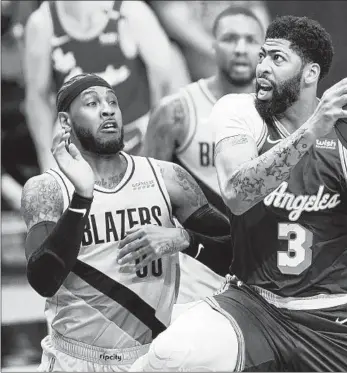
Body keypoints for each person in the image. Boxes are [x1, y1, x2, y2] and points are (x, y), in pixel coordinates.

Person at [129, 15, 347, 372]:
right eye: (263, 56)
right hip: (253, 304)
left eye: (278, 59)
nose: (263, 67)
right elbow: (238, 194)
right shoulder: (240, 111)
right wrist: (312, 131)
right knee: (168, 356)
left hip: (334, 318)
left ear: (311, 73)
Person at [20, 73, 231, 372]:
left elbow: (232, 252)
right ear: (66, 122)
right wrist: (82, 197)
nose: (107, 109)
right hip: (74, 360)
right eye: (92, 103)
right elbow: (43, 280)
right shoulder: (46, 190)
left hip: (152, 357)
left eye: (113, 102)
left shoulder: (168, 178)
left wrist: (184, 239)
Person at [144, 6, 264, 305]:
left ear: (264, 49)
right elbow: (146, 195)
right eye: (229, 39)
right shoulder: (177, 112)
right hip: (197, 276)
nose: (240, 49)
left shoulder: (282, 111)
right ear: (212, 44)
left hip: (266, 269)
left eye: (250, 40)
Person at [23, 0, 182, 173]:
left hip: (137, 140)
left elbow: (170, 80)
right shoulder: (42, 23)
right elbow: (37, 98)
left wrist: (158, 150)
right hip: (81, 152)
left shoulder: (131, 12)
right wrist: (49, 163)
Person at [148, 1, 270, 81]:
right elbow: (172, 16)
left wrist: (261, 44)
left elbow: (255, 6)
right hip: (197, 62)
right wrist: (216, 48)